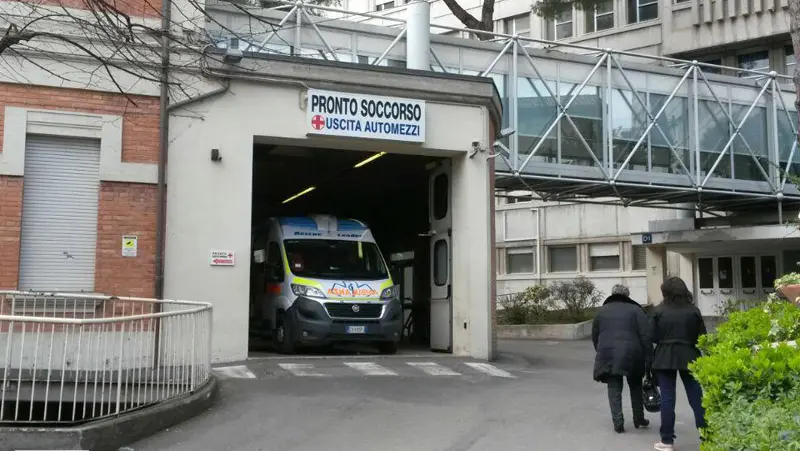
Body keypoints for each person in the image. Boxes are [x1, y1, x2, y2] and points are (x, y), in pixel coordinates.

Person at [649, 276, 707, 451]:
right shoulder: (693, 311)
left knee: (667, 399)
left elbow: (651, 336)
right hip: (689, 355)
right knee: (697, 398)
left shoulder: (658, 311)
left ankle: (667, 441)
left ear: (665, 292)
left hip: (664, 356)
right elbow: (702, 336)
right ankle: (708, 437)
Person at [592, 283, 652, 433]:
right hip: (633, 354)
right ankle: (638, 418)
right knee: (636, 386)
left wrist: (601, 351)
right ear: (627, 295)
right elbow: (645, 335)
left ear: (612, 295)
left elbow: (595, 335)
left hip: (608, 354)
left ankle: (618, 422)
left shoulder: (601, 312)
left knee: (614, 388)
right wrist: (649, 357)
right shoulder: (636, 310)